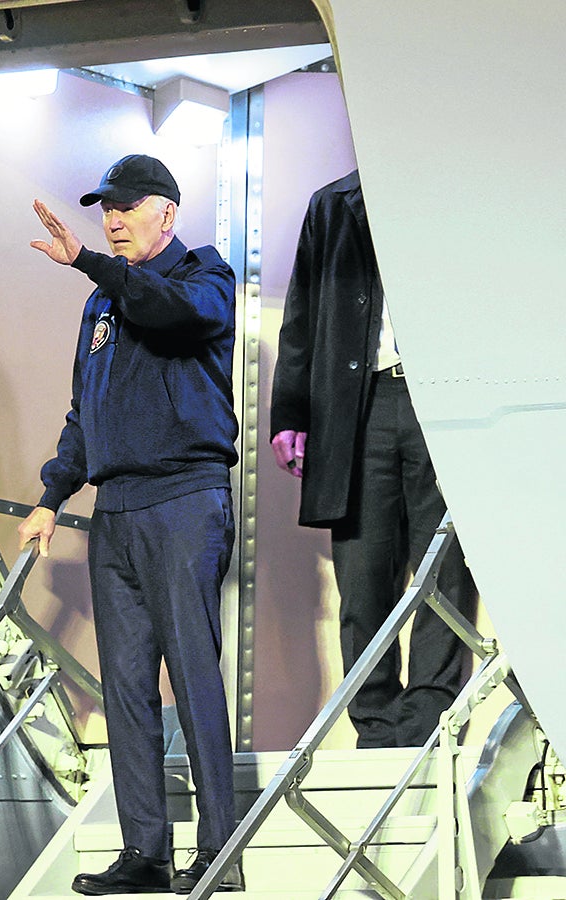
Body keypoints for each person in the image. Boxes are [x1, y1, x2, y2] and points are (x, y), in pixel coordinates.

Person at [17, 154, 243, 895]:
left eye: (126, 206)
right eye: (104, 208)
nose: (111, 219)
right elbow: (86, 409)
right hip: (115, 509)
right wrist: (53, 495)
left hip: (183, 500)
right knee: (125, 686)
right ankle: (145, 851)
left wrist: (84, 261)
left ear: (166, 214)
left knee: (192, 675)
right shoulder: (102, 305)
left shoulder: (205, 277)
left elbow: (169, 313)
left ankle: (221, 849)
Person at [270, 169, 476, 749]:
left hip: (444, 397)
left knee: (445, 565)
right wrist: (290, 412)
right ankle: (378, 726)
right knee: (362, 576)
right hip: (361, 404)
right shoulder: (334, 203)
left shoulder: (455, 189)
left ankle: (430, 720)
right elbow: (302, 317)